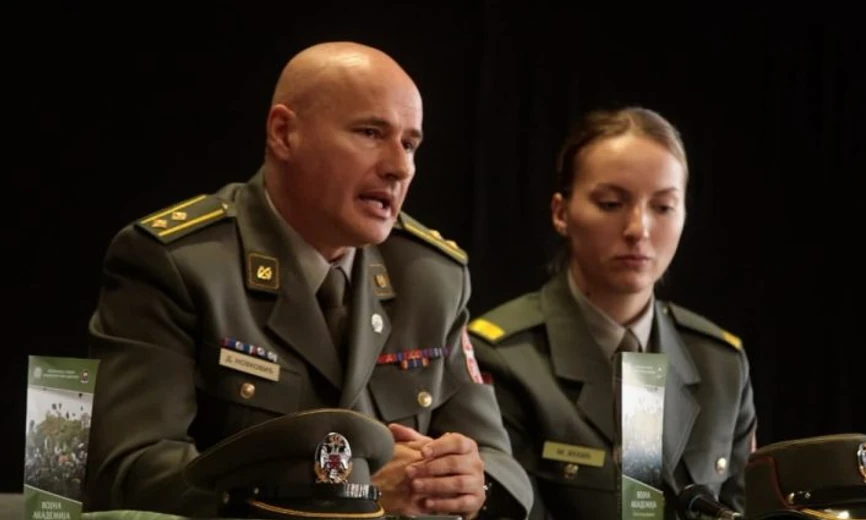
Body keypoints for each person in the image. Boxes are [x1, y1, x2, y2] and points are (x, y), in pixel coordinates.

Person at [83, 41, 532, 520]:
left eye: (409, 144)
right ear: (284, 133)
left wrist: (466, 481)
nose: (399, 167)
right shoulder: (179, 263)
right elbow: (130, 472)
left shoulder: (432, 275)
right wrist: (348, 488)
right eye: (370, 132)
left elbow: (501, 467)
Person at [468, 107, 758, 519]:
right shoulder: (502, 356)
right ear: (561, 213)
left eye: (663, 207)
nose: (638, 228)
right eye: (611, 203)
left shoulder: (721, 365)